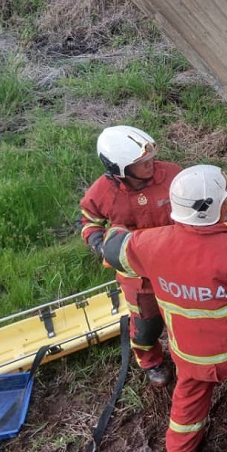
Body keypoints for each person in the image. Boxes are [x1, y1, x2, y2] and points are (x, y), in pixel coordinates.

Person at [102, 165, 227, 452]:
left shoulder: (151, 244)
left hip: (189, 353)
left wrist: (116, 230)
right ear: (212, 208)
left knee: (188, 398)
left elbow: (114, 251)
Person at [79, 125, 181, 386]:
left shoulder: (171, 175)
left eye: (150, 157)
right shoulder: (102, 192)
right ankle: (151, 362)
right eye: (141, 162)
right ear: (119, 169)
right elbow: (89, 221)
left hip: (176, 264)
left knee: (185, 317)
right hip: (137, 276)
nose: (150, 164)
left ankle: (188, 357)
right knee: (146, 325)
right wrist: (101, 245)